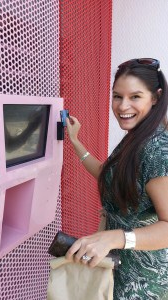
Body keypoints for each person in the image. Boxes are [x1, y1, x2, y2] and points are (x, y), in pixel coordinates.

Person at [65, 58, 168, 299]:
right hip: (118, 269)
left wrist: (114, 237)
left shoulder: (157, 151)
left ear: (155, 97)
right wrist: (76, 142)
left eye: (135, 97)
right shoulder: (137, 135)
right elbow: (111, 176)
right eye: (117, 96)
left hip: (143, 283)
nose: (123, 106)